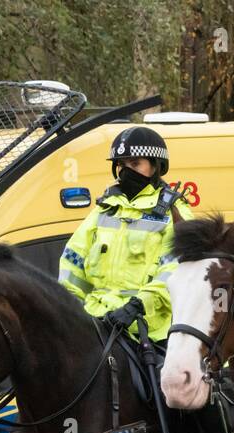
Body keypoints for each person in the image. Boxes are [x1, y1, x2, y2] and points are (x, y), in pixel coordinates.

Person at [58, 126, 192, 343]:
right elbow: (72, 261)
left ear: (156, 166)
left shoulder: (173, 212)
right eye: (121, 164)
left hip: (147, 330)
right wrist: (70, 306)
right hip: (96, 322)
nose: (126, 171)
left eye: (135, 164)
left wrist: (137, 306)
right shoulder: (105, 208)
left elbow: (175, 270)